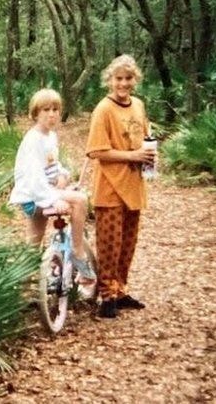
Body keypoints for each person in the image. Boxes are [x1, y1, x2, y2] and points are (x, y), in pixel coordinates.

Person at [85, 54, 156, 319]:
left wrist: (148, 156)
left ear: (135, 79)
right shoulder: (103, 109)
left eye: (128, 78)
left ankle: (121, 289)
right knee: (109, 244)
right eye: (118, 79)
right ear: (110, 80)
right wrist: (133, 156)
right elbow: (97, 151)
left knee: (128, 242)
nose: (123, 84)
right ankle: (107, 297)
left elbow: (145, 139)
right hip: (110, 186)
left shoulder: (138, 105)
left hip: (134, 183)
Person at [9, 88, 96, 297]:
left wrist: (63, 175)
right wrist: (53, 198)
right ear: (35, 113)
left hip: (42, 192)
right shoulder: (33, 139)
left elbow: (52, 166)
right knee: (80, 200)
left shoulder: (50, 136)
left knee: (34, 243)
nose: (52, 114)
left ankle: (27, 289)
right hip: (33, 195)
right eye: (46, 110)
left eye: (56, 109)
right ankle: (77, 250)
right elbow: (33, 176)